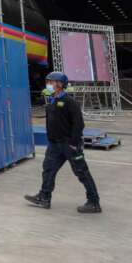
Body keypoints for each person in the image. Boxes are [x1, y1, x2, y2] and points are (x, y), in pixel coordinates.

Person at [25, 71, 102, 213]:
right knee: (48, 169)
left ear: (60, 84)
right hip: (55, 144)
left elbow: (79, 125)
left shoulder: (69, 102)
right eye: (48, 81)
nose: (48, 84)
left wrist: (73, 143)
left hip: (69, 144)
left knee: (81, 172)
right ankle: (44, 197)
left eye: (51, 82)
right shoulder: (52, 100)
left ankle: (94, 202)